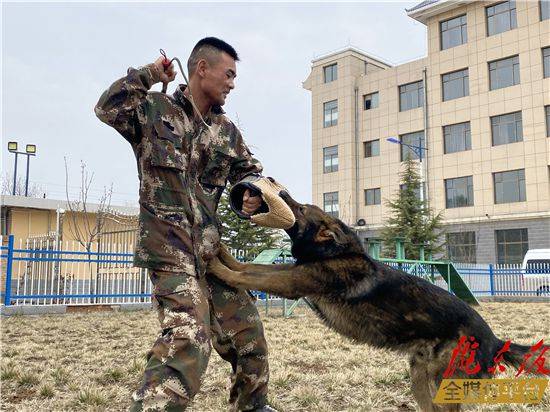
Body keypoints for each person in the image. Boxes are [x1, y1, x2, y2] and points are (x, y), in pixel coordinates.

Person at [95, 37, 276, 412]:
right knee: (189, 337)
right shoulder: (154, 111)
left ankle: (252, 406)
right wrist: (148, 74)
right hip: (169, 250)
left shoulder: (226, 132)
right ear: (202, 69)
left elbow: (251, 174)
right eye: (228, 74)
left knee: (248, 335)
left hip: (210, 255)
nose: (232, 83)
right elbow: (106, 107)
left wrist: (251, 192)